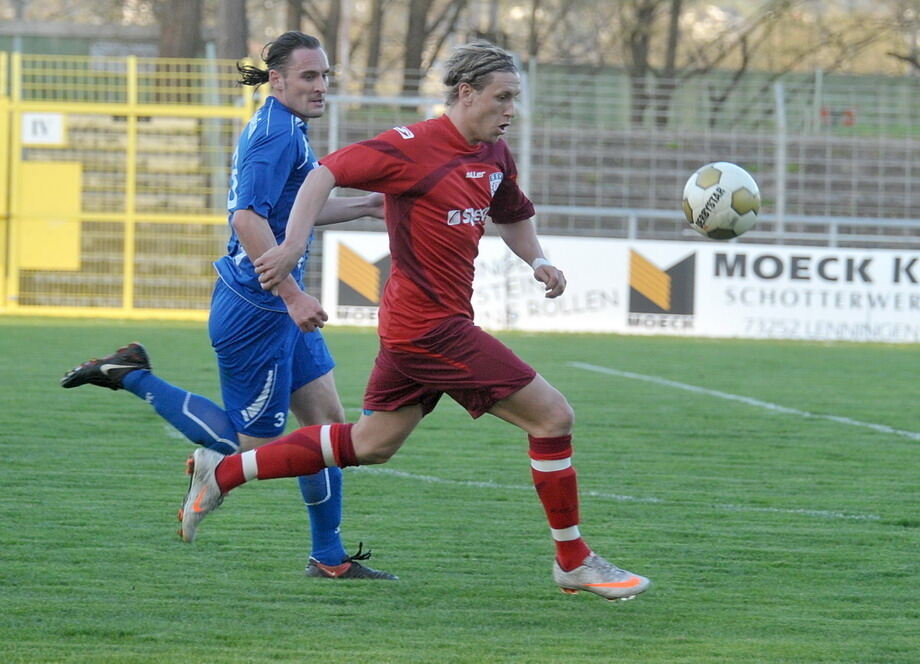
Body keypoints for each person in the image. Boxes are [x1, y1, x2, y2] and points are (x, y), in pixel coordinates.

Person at [178, 40, 650, 601]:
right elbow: (324, 175)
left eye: (515, 99)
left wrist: (539, 259)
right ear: (465, 92)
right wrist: (292, 251)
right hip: (429, 329)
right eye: (502, 98)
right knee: (552, 417)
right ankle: (573, 560)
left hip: (425, 327)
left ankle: (223, 473)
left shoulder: (494, 155)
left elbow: (514, 215)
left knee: (372, 444)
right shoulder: (410, 146)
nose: (511, 111)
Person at [61, 31, 395, 581]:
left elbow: (290, 214)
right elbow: (248, 220)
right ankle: (132, 375)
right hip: (258, 309)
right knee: (251, 449)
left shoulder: (286, 127)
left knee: (328, 429)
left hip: (276, 306)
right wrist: (291, 295)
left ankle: (328, 558)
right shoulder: (276, 135)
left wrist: (361, 206)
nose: (321, 86)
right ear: (279, 80)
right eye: (310, 76)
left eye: (326, 75)